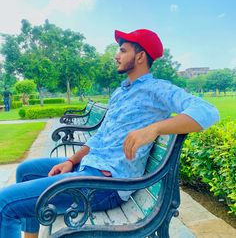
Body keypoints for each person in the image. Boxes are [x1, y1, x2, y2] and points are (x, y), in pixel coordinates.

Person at [0, 29, 219, 238]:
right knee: (25, 170)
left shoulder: (157, 89)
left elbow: (208, 112)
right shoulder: (120, 92)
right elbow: (101, 136)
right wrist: (71, 160)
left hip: (105, 185)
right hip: (89, 167)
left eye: (123, 50)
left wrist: (154, 129)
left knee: (4, 204)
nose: (116, 56)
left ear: (141, 56)